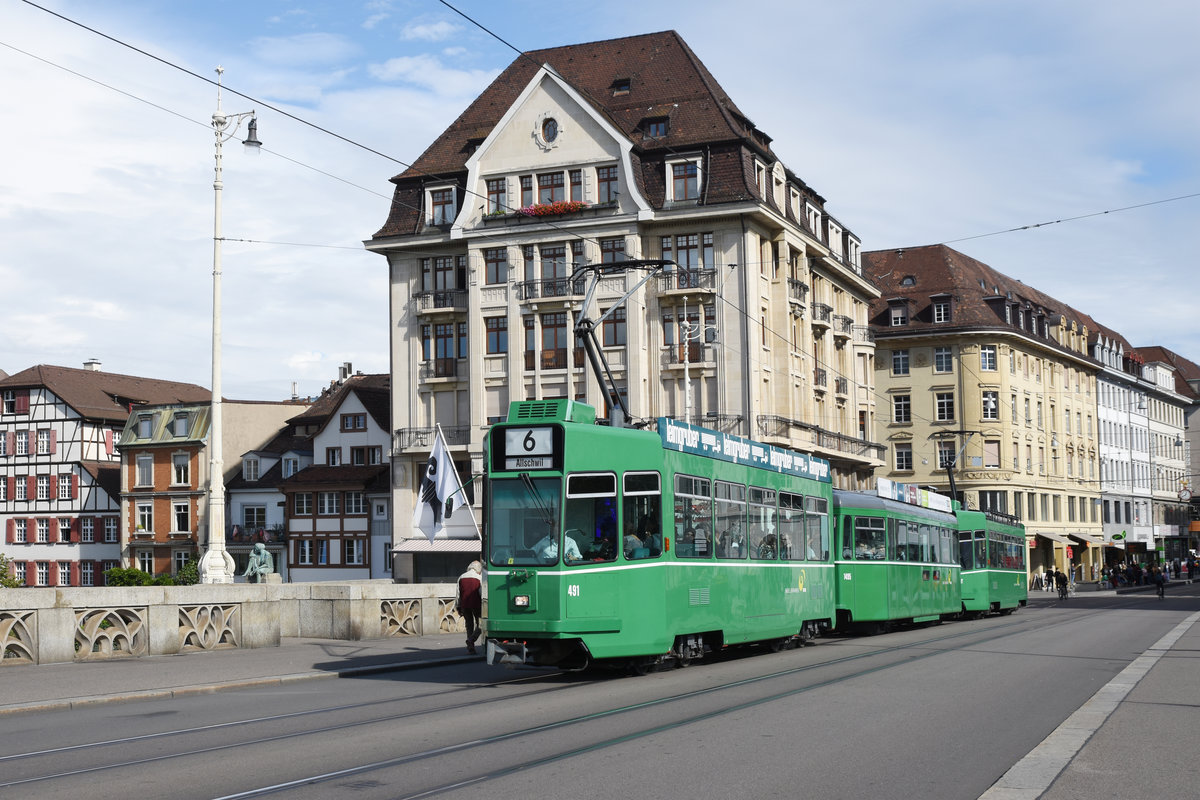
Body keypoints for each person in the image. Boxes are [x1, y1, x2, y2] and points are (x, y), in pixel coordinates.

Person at [456, 561, 483, 654]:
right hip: (476, 605)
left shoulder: (461, 577)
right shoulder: (479, 578)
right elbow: (481, 593)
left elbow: (458, 594)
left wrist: (458, 607)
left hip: (465, 605)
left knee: (469, 625)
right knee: (481, 625)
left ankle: (471, 647)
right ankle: (471, 639)